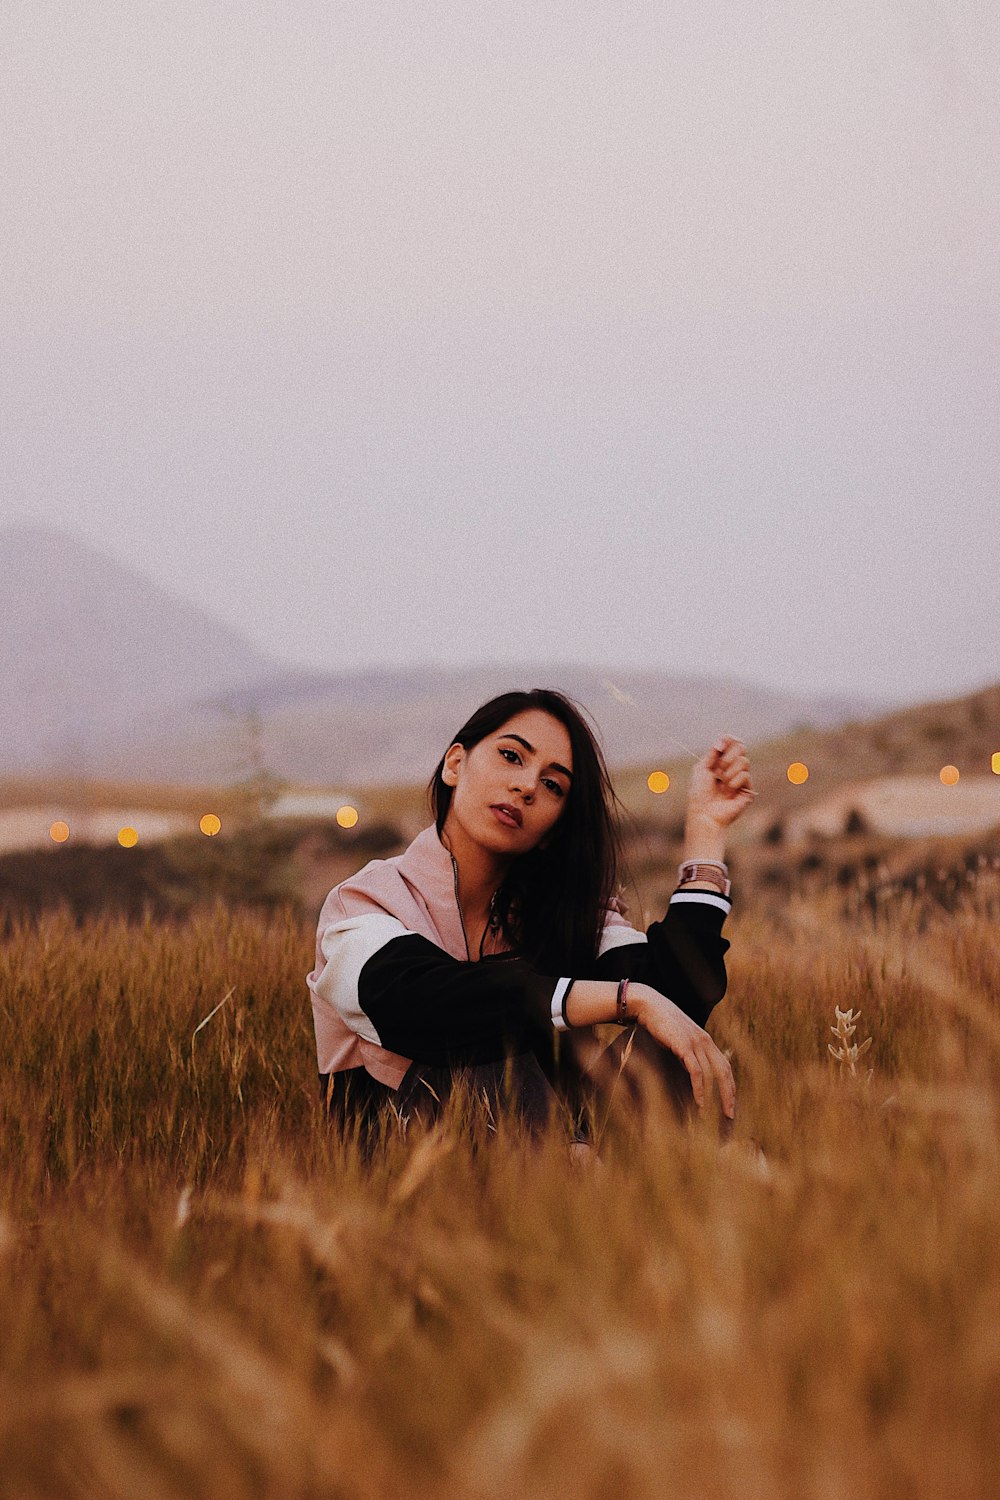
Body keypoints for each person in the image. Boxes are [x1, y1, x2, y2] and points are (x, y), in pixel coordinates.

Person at [306, 688, 755, 1150]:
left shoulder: (561, 913)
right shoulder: (365, 904)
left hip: (556, 1156)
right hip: (406, 1171)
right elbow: (426, 1004)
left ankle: (644, 1186)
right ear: (455, 764)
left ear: (552, 829)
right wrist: (626, 999)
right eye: (511, 756)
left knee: (674, 1045)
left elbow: (679, 993)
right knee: (486, 1035)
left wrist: (706, 831)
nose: (526, 787)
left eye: (553, 785)